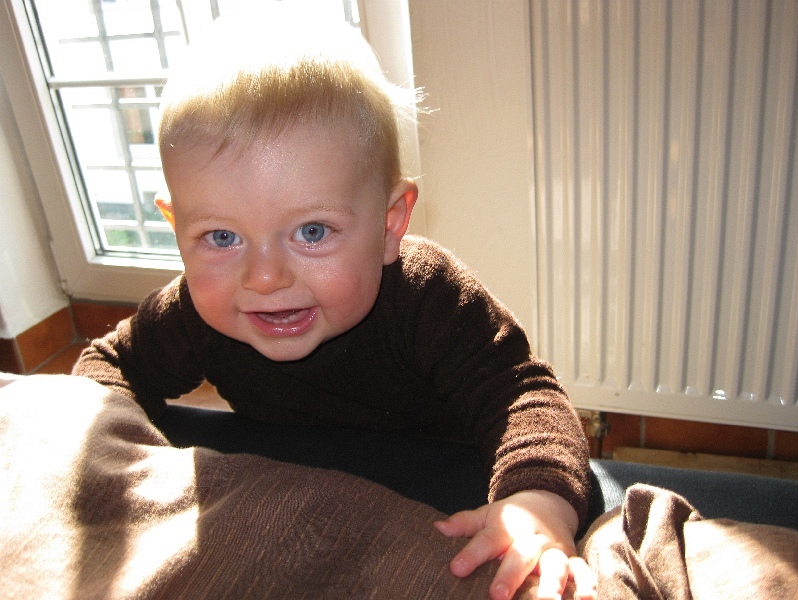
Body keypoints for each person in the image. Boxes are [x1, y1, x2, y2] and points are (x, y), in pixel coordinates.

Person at [73, 7, 595, 600]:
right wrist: (112, 467)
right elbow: (104, 371)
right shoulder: (195, 313)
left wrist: (537, 502)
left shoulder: (427, 294)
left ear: (389, 224)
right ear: (177, 226)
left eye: (312, 232)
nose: (264, 278)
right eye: (221, 236)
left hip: (441, 500)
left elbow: (523, 394)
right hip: (296, 520)